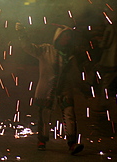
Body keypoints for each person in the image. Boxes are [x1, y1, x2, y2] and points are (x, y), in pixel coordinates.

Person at [15, 23, 84, 155]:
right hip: (47, 89)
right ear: (58, 37)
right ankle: (42, 140)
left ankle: (72, 143)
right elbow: (28, 47)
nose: (67, 39)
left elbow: (74, 74)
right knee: (45, 115)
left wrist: (82, 86)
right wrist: (22, 34)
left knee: (69, 114)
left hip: (65, 88)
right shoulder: (46, 50)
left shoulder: (70, 55)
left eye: (69, 36)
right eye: (65, 36)